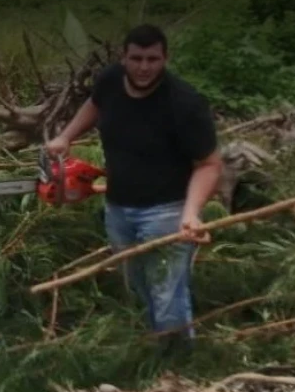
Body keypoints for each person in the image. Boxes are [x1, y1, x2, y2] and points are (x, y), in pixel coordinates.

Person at [46, 24, 223, 356]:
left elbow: (209, 164)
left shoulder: (184, 103)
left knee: (167, 291)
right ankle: (149, 348)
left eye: (152, 59)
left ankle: (178, 362)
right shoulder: (111, 80)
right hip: (118, 207)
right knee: (137, 285)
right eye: (137, 58)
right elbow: (94, 105)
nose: (144, 67)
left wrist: (190, 213)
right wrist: (66, 137)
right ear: (124, 58)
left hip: (167, 210)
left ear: (165, 59)